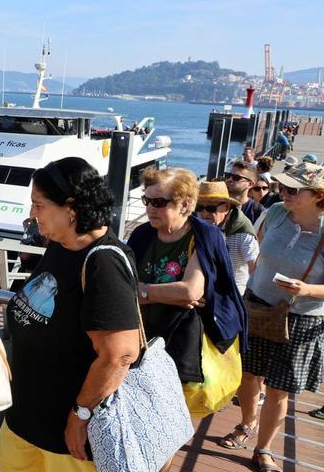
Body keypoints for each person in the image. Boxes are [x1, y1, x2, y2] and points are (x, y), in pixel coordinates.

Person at [0, 157, 140, 472]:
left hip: (68, 444)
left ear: (71, 207)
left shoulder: (104, 262)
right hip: (23, 422)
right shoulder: (61, 245)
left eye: (39, 205)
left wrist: (80, 416)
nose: (32, 214)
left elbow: (120, 354)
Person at [128, 168, 247, 468]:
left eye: (159, 203)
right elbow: (123, 282)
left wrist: (140, 291)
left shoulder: (204, 236)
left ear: (185, 204)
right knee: (135, 417)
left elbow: (190, 290)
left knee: (167, 427)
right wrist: (159, 293)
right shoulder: (142, 234)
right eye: (146, 201)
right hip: (141, 338)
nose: (149, 209)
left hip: (180, 345)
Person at [219, 162, 324, 472]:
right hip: (257, 305)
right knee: (247, 375)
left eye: (293, 189)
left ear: (318, 195)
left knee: (279, 388)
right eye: (282, 186)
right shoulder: (276, 211)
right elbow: (258, 250)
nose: (283, 193)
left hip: (300, 318)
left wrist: (307, 290)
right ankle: (247, 422)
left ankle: (263, 449)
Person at [194, 181, 258, 295]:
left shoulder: (243, 232)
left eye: (210, 208)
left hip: (231, 292)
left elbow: (255, 268)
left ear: (227, 207)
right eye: (199, 207)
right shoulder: (195, 225)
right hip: (203, 288)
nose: (204, 214)